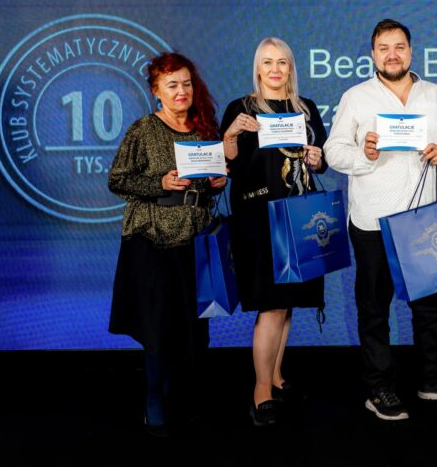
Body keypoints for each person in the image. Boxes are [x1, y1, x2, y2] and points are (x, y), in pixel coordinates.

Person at [323, 19, 437, 421]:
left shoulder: (435, 95)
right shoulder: (356, 97)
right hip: (373, 221)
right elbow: (334, 151)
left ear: (410, 51)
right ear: (373, 54)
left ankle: (433, 378)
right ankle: (380, 387)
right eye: (384, 48)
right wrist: (364, 154)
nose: (392, 54)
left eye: (399, 47)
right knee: (375, 308)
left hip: (425, 219)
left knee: (431, 308)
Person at [108, 52, 226, 437]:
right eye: (172, 85)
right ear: (156, 91)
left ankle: (185, 396)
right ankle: (154, 398)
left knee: (195, 328)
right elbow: (117, 180)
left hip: (196, 238)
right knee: (159, 327)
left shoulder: (204, 128)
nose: (181, 91)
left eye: (186, 83)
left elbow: (207, 187)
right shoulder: (143, 130)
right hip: (152, 240)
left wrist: (216, 183)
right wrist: (158, 183)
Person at [220, 37, 328, 427]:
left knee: (288, 303)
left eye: (282, 61)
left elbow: (321, 160)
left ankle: (277, 377)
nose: (275, 69)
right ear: (258, 68)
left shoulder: (306, 108)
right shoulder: (241, 108)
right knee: (271, 304)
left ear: (290, 67)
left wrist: (317, 158)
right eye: (267, 62)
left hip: (299, 216)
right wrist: (230, 135)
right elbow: (227, 165)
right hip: (259, 219)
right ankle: (261, 389)